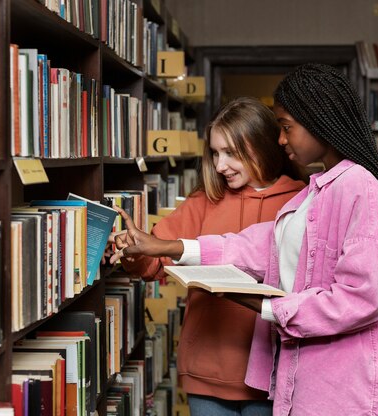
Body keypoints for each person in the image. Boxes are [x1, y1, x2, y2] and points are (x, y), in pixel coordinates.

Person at [110, 63, 378, 416]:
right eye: (215, 153)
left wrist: (267, 306)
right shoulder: (316, 193)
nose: (281, 139)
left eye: (287, 127)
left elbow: (360, 297)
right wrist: (164, 247)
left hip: (346, 388)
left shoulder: (355, 188)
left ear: (318, 122)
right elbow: (256, 246)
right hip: (300, 380)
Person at [112, 96, 305, 416]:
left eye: (231, 153)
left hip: (275, 372)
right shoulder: (206, 199)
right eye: (215, 153)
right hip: (206, 370)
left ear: (264, 145)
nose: (219, 165)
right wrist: (131, 251)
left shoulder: (300, 199)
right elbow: (154, 260)